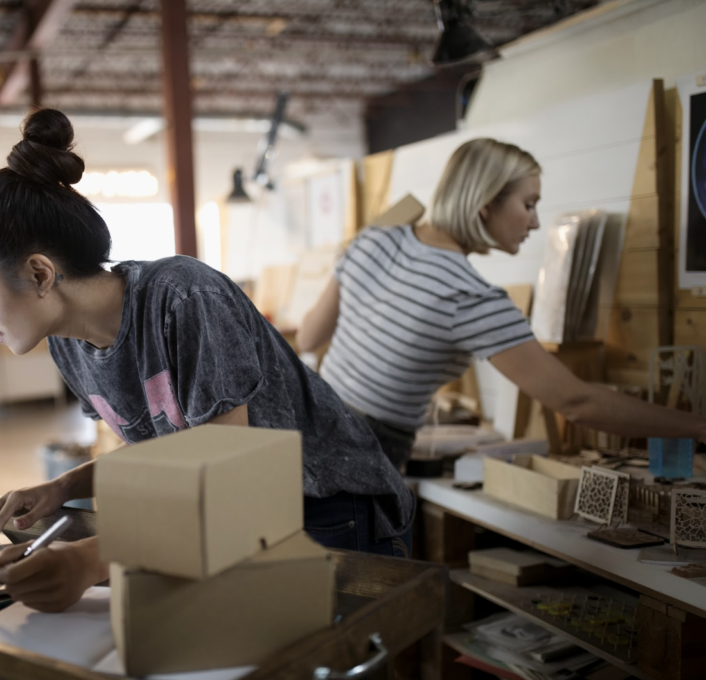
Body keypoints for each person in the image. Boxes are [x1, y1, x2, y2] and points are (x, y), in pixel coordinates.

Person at [0, 108, 415, 613]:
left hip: (326, 511)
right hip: (244, 519)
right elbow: (171, 450)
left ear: (40, 274)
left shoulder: (183, 297)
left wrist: (88, 561)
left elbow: (229, 480)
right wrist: (62, 487)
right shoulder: (68, 343)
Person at [297, 138, 706, 471]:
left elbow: (309, 337)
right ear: (485, 203)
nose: (535, 222)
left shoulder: (376, 237)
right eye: (528, 204)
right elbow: (577, 403)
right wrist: (697, 426)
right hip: (362, 461)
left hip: (306, 429)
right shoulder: (468, 295)